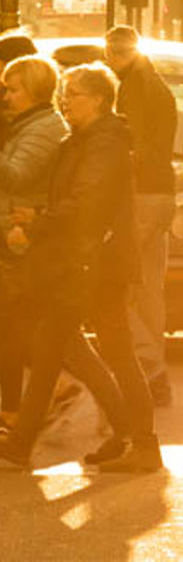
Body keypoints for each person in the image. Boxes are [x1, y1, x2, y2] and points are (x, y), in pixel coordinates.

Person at [0, 63, 162, 472]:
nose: (64, 101)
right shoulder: (84, 140)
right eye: (65, 93)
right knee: (56, 344)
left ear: (99, 100)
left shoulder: (104, 143)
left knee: (113, 351)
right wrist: (38, 216)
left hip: (98, 264)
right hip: (82, 263)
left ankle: (141, 442)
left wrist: (38, 221)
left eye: (74, 94)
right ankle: (129, 438)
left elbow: (88, 202)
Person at [104, 26, 178, 407]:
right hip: (161, 192)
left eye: (111, 53)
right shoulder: (157, 86)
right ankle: (152, 369)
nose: (108, 60)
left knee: (117, 288)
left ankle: (150, 370)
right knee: (149, 289)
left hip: (141, 195)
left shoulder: (132, 89)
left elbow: (135, 149)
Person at [0, 57, 68, 434]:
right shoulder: (27, 124)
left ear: (36, 92)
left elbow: (16, 174)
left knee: (16, 329)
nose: (7, 96)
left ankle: (19, 408)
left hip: (20, 237)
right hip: (13, 233)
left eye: (13, 89)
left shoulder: (42, 129)